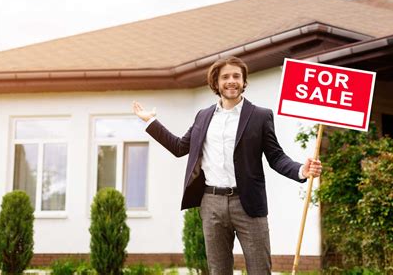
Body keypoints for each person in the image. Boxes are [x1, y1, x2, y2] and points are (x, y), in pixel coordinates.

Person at [132, 56, 322, 275]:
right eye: (225, 77)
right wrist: (150, 122)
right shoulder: (203, 117)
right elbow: (179, 147)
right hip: (211, 203)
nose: (231, 81)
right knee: (218, 270)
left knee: (260, 269)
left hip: (248, 203)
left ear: (243, 81)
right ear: (216, 83)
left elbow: (276, 156)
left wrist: (301, 170)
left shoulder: (260, 116)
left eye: (236, 76)